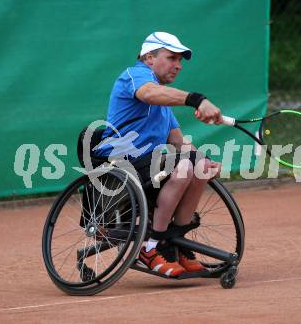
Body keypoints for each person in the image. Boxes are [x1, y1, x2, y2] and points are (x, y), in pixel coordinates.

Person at [96, 32, 223, 277]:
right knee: (186, 167)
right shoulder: (135, 76)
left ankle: (175, 241)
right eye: (172, 58)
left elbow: (177, 140)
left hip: (147, 165)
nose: (177, 65)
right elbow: (148, 93)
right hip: (120, 163)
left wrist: (205, 162)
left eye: (180, 61)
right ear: (149, 57)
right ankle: (151, 245)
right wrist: (197, 100)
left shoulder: (162, 102)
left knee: (197, 166)